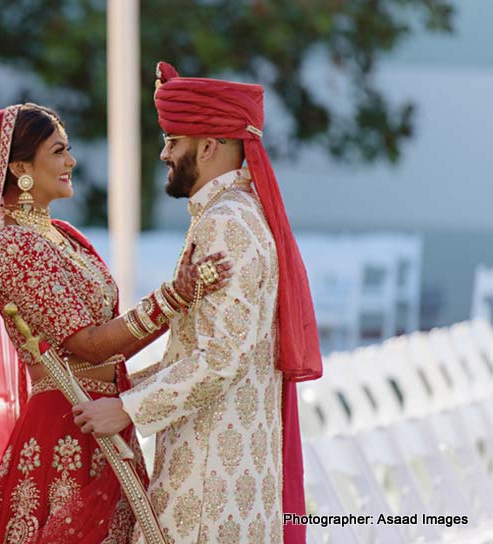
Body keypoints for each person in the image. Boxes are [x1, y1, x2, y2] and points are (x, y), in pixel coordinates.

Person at [0, 102, 231, 544]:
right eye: (59, 151)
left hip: (100, 417)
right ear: (21, 167)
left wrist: (176, 306)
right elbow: (88, 345)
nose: (72, 162)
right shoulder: (14, 246)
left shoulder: (62, 236)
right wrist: (175, 297)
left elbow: (109, 338)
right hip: (64, 429)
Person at [73, 62, 323, 544]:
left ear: (209, 146)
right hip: (228, 470)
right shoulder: (236, 213)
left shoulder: (226, 222)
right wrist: (118, 389)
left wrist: (126, 407)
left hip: (210, 481)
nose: (164, 154)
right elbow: (202, 353)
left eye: (173, 141)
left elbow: (220, 358)